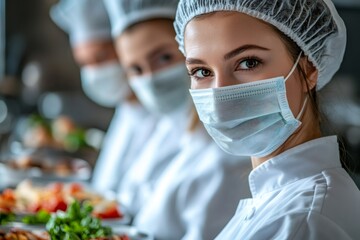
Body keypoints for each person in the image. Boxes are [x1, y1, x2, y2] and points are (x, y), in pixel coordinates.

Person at [174, 0, 360, 239]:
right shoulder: (281, 200)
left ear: (310, 68)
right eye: (202, 71)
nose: (220, 93)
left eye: (248, 63)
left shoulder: (302, 224)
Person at [103, 0, 252, 239]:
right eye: (136, 69)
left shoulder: (226, 159)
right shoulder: (168, 127)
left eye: (163, 58)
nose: (151, 79)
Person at [50, 0, 157, 193]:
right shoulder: (126, 110)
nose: (94, 72)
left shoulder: (161, 115)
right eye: (84, 63)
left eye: (100, 57)